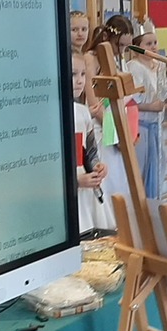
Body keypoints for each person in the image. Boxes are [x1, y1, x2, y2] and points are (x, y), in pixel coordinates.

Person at [81, 16, 135, 206]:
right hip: (101, 127)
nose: (121, 51)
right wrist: (118, 132)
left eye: (126, 47)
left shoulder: (117, 59)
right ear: (106, 37)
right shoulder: (90, 59)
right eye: (119, 45)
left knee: (121, 181)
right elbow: (94, 104)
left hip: (115, 124)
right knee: (108, 182)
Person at [125, 22, 167, 199]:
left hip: (156, 126)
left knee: (159, 168)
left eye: (155, 43)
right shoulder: (134, 67)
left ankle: (155, 205)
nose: (153, 47)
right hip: (141, 127)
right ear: (137, 48)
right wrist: (150, 107)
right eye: (148, 44)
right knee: (141, 170)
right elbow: (130, 101)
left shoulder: (159, 66)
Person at [72, 53, 113, 233]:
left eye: (83, 74)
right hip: (71, 187)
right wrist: (75, 181)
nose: (79, 80)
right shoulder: (52, 115)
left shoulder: (83, 112)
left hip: (87, 185)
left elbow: (90, 151)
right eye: (73, 74)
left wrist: (97, 166)